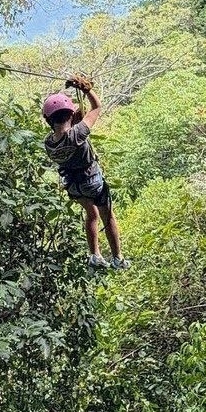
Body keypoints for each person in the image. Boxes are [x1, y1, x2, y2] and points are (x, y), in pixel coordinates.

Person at [42, 74, 130, 269]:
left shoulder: (49, 143)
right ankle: (118, 258)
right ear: (71, 115)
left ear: (48, 119)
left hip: (73, 186)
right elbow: (96, 107)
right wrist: (86, 89)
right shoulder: (78, 133)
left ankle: (95, 255)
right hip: (92, 181)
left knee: (92, 214)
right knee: (108, 216)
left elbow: (65, 135)